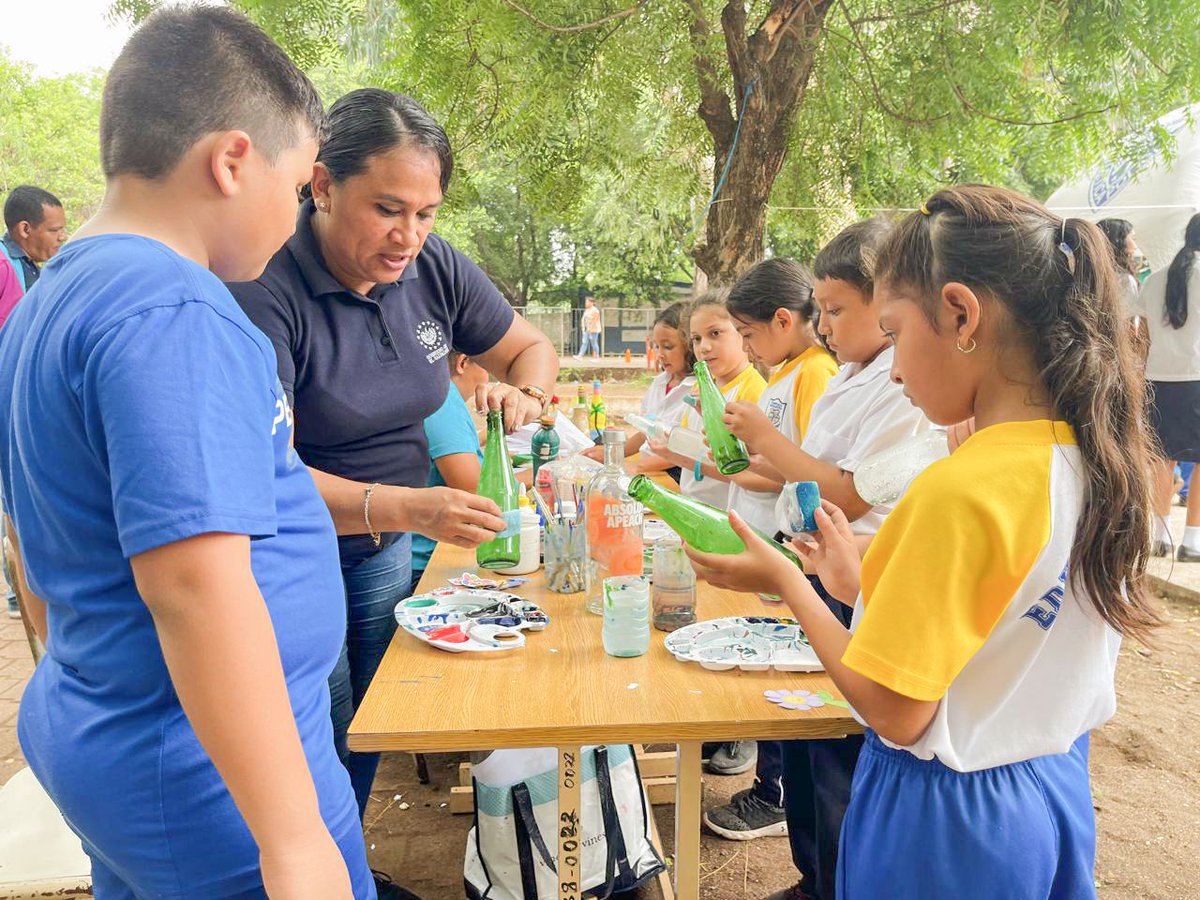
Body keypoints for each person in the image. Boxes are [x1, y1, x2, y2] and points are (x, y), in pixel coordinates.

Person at [687, 185, 1159, 899]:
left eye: (898, 331)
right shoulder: (1096, 463)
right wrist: (860, 582)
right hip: (1051, 790)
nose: (897, 369)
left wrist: (786, 581)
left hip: (946, 824)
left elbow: (895, 710)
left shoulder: (959, 488)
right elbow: (1010, 617)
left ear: (962, 314)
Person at [0, 7, 374, 898]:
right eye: (295, 189)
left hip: (119, 732)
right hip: (212, 780)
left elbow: (34, 547)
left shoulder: (49, 303)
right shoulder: (175, 308)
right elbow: (195, 583)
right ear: (232, 160)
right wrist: (291, 840)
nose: (294, 219)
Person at [229, 88, 558, 842]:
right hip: (293, 555)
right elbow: (262, 471)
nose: (408, 235)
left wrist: (527, 391)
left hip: (383, 552)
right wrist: (411, 507)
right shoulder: (265, 286)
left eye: (426, 211)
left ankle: (344, 867)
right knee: (315, 732)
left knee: (366, 730)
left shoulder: (431, 266)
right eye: (387, 209)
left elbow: (528, 344)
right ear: (321, 186)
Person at [700, 258, 839, 845]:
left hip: (800, 555)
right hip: (782, 550)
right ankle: (779, 792)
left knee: (792, 681)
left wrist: (756, 445)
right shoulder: (792, 373)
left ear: (783, 320)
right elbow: (780, 464)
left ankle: (774, 791)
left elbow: (808, 478)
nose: (748, 348)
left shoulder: (814, 374)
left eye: (748, 335)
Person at [648, 291, 766, 511]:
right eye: (697, 339)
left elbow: (744, 471)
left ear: (742, 333)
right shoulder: (699, 388)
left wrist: (678, 457)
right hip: (695, 508)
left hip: (729, 518)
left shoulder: (753, 390)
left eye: (715, 333)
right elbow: (686, 443)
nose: (704, 347)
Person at [1133, 213, 1200, 560]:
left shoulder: (1155, 279)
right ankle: (1192, 541)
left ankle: (1159, 537)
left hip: (1159, 379)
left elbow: (1142, 337)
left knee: (1162, 459)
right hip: (1197, 378)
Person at [584, 300, 695, 478]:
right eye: (657, 346)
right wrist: (612, 453)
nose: (660, 354)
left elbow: (686, 453)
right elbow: (647, 433)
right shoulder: (659, 383)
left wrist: (635, 466)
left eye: (668, 346)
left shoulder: (696, 392)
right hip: (646, 467)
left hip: (675, 474)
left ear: (690, 345)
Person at [410, 351, 489, 587]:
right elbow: (476, 489)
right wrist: (541, 474)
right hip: (429, 563)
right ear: (462, 362)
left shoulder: (439, 395)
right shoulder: (442, 400)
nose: (487, 379)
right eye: (486, 368)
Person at [1, 184, 67, 291]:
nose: (63, 237)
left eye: (63, 229)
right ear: (25, 229)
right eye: (54, 230)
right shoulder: (3, 267)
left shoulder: (29, 263)